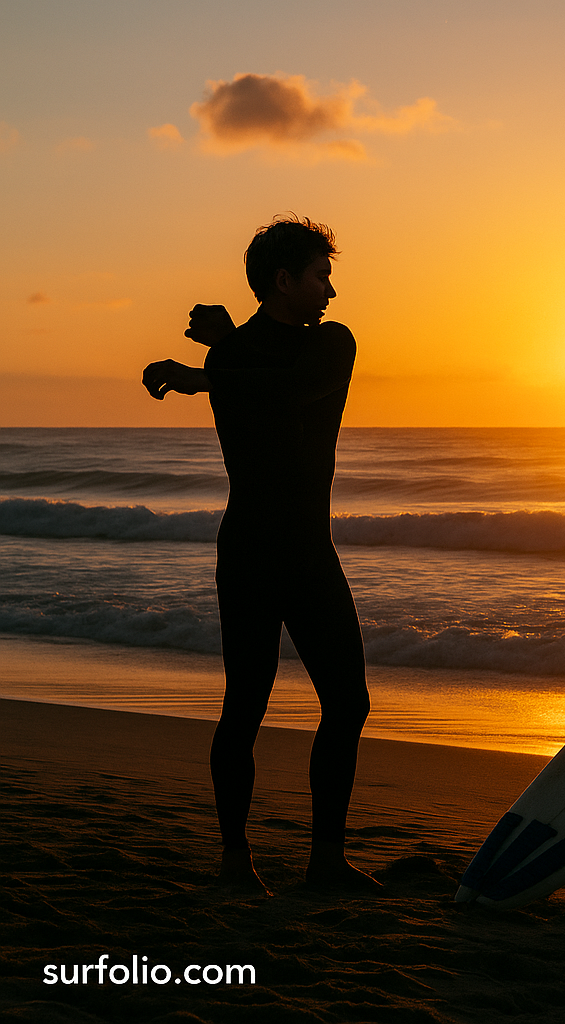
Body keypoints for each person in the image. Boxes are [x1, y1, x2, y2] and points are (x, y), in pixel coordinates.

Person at [142, 216, 375, 894]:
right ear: (284, 280)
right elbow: (258, 383)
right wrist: (218, 356)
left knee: (349, 702)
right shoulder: (231, 358)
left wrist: (208, 365)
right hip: (250, 550)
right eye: (319, 275)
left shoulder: (332, 345)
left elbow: (290, 388)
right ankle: (234, 859)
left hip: (308, 551)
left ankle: (327, 860)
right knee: (245, 706)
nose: (330, 290)